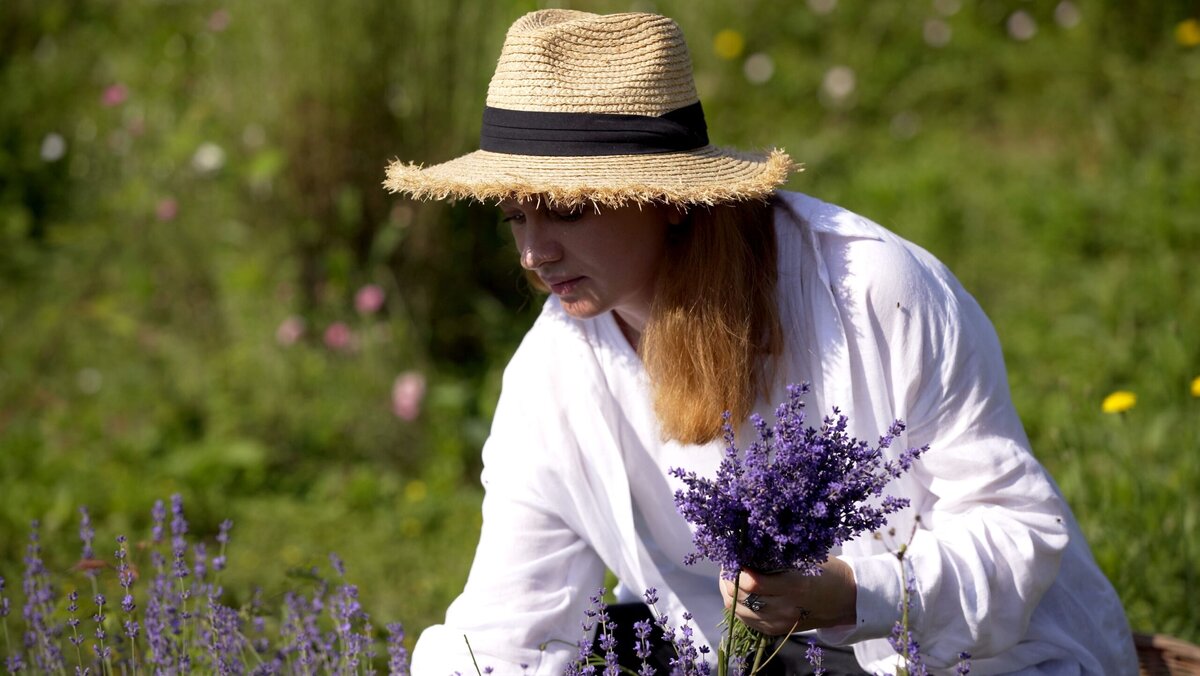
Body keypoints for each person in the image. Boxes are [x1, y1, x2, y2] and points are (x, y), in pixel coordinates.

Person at [384, 9, 1138, 675]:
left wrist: (849, 593)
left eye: (571, 211)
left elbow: (1019, 534)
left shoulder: (872, 291)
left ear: (668, 199)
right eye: (515, 216)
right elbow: (511, 630)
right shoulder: (552, 378)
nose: (532, 252)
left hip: (983, 659)